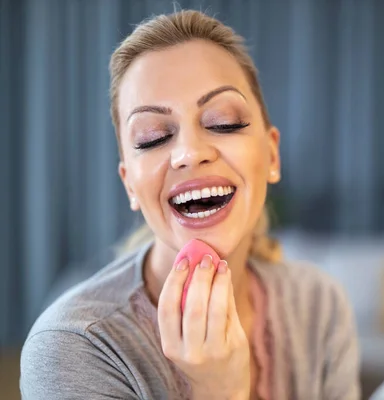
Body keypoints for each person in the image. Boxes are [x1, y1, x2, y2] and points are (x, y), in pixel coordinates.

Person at [19, 9, 360, 400]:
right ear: (130, 184)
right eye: (152, 137)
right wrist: (219, 391)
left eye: (223, 122)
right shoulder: (74, 348)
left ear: (271, 156)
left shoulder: (320, 306)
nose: (189, 153)